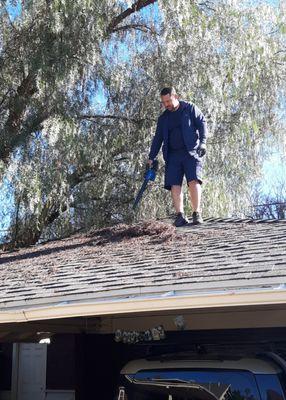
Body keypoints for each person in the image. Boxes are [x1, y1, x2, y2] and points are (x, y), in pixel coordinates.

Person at [148, 87, 208, 226]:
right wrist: (152, 157)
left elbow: (202, 123)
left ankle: (196, 213)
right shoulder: (163, 119)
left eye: (168, 101)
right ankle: (180, 215)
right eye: (164, 102)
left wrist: (203, 143)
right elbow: (158, 139)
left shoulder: (190, 108)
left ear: (176, 96)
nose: (166, 104)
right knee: (174, 184)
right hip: (173, 155)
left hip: (191, 152)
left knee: (194, 180)